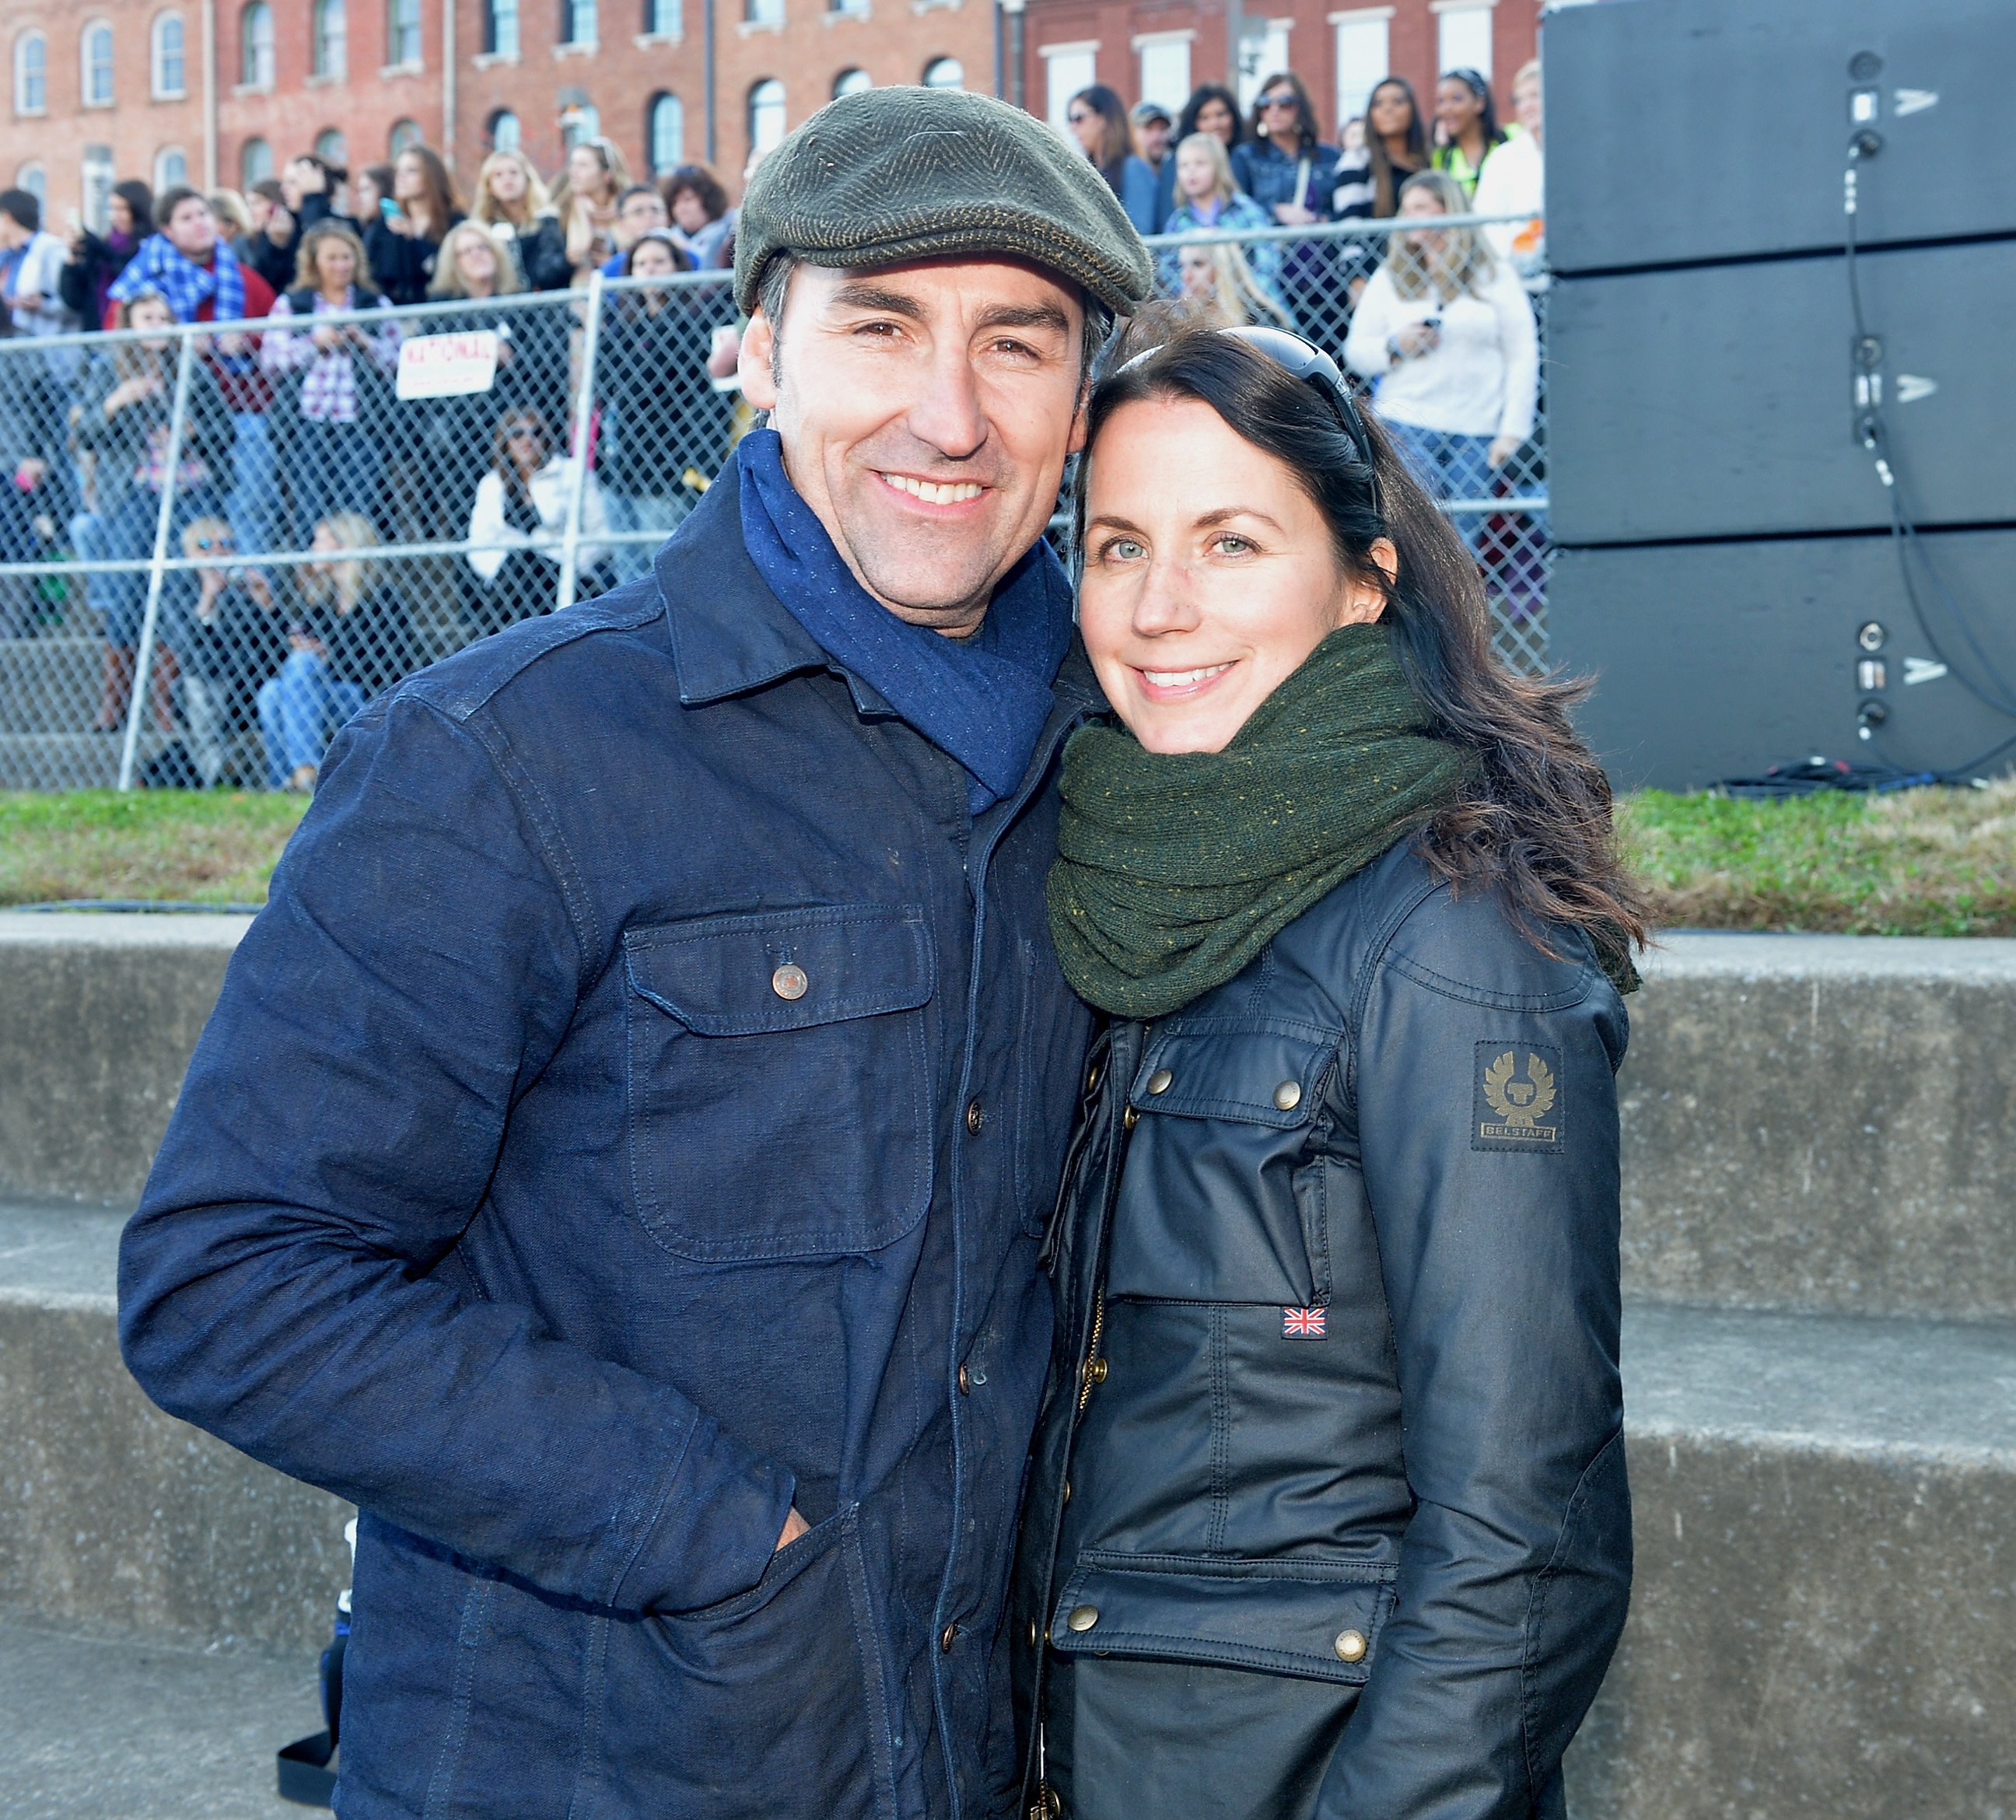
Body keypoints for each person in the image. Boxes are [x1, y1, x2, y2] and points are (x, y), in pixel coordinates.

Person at [119, 82, 1150, 1820]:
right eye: (881, 327)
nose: (950, 412)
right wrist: (727, 1540)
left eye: (1019, 344)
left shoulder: (1119, 762)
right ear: (757, 354)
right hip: (600, 1759)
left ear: (1083, 396)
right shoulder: (507, 754)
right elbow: (231, 1278)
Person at [1011, 319, 1642, 1820]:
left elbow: (1526, 1528)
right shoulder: (1123, 879)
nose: (1158, 608)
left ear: (1364, 580)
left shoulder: (1453, 938)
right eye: (1114, 547)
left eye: (1231, 544)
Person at [1343, 171, 1538, 555]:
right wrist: (1397, 346)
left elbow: (1523, 352)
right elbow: (1356, 351)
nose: (1409, 217)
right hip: (1407, 423)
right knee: (1412, 539)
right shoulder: (1391, 277)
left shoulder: (1493, 274)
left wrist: (1512, 431)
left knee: (1463, 540)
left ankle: (1461, 617)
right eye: (1406, 208)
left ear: (1448, 211)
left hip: (1477, 427)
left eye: (1421, 208)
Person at [71, 289, 236, 731]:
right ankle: (115, 705)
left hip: (192, 491)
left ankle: (169, 706)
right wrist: (117, 401)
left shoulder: (192, 368)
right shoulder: (109, 369)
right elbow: (85, 432)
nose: (158, 325)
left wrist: (192, 432)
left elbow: (225, 431)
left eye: (164, 317)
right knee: (128, 592)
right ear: (130, 324)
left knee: (180, 594)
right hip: (136, 493)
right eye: (148, 318)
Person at [109, 187, 282, 553]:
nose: (200, 223)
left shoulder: (243, 279)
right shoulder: (141, 283)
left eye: (204, 214)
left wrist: (246, 339)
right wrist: (180, 343)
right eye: (187, 218)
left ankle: (249, 586)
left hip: (239, 409)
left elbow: (278, 334)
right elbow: (117, 341)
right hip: (166, 421)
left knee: (249, 503)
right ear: (166, 230)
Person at [414, 222, 570, 542]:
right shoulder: (441, 315)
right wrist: (481, 354)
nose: (476, 256)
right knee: (468, 526)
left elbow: (552, 365)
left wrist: (512, 358)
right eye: (465, 252)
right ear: (453, 264)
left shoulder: (525, 305)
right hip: (463, 441)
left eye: (482, 248)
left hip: (519, 437)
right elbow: (424, 376)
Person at [596, 232, 725, 582]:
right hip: (617, 467)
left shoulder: (693, 324)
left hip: (664, 468)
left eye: (658, 262)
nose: (649, 270)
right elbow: (604, 384)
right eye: (640, 264)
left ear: (677, 268)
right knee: (629, 574)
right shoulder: (620, 328)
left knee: (666, 570)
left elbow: (653, 384)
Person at [262, 221, 401, 539]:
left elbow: (398, 358)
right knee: (308, 510)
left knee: (357, 510)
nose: (341, 265)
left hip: (361, 422)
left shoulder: (373, 303)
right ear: (314, 263)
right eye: (332, 258)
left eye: (347, 257)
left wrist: (365, 342)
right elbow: (271, 359)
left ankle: (353, 582)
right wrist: (314, 342)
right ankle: (313, 582)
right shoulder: (294, 305)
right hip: (307, 422)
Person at [255, 511, 411, 791]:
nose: (312, 547)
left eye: (320, 540)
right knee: (273, 692)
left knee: (305, 665)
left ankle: (306, 771)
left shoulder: (383, 598)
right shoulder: (324, 605)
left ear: (344, 545)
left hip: (367, 699)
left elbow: (386, 665)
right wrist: (270, 607)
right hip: (317, 697)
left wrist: (328, 657)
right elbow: (285, 662)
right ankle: (282, 785)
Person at [464, 407, 611, 628]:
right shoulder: (492, 484)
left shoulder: (572, 474)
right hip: (511, 578)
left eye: (536, 433)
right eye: (517, 434)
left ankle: (484, 639)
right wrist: (499, 568)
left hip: (562, 570)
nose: (528, 440)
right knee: (520, 563)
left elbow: (600, 532)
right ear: (505, 442)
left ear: (547, 439)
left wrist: (571, 563)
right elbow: (478, 543)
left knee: (527, 563)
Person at [173, 515, 289, 786]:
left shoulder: (245, 591)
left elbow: (279, 648)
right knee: (192, 685)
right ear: (191, 555)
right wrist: (207, 600)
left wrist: (266, 603)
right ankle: (216, 772)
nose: (217, 552)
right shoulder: (179, 592)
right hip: (208, 683)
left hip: (248, 680)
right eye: (206, 545)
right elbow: (186, 651)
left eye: (226, 544)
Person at [1237, 74, 1339, 335]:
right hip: (1272, 279)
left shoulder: (1329, 157)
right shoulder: (1246, 157)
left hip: (1327, 277)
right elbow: (1236, 211)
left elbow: (1345, 210)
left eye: (1285, 102)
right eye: (1265, 103)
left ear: (1300, 108)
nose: (1274, 110)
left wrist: (1325, 221)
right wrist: (1274, 211)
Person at [1159, 131, 1279, 306]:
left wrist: (1246, 294)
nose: (1191, 171)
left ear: (1219, 167)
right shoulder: (1178, 221)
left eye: (1200, 164)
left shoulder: (1245, 210)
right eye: (1184, 165)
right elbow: (1168, 269)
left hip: (1252, 307)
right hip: (1198, 310)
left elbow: (1268, 258)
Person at [1474, 59, 1545, 272]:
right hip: (1517, 274)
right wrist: (1516, 256)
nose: (1527, 106)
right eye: (1519, 100)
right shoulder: (1503, 158)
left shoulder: (1581, 152)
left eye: (1535, 95)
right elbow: (1485, 221)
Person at [372, 145, 466, 306]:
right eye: (399, 171)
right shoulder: (386, 224)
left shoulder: (455, 221)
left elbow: (448, 270)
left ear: (431, 176)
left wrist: (415, 239)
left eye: (411, 171)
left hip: (443, 310)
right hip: (398, 313)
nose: (401, 177)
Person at [469, 148, 573, 292]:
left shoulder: (548, 221)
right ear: (489, 185)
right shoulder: (481, 227)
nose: (507, 179)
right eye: (498, 175)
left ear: (527, 178)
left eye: (514, 173)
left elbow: (553, 270)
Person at [1160, 82, 1248, 247]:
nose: (1215, 123)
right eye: (1205, 117)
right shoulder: (1179, 220)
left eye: (1221, 114)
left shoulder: (1244, 158)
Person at [60, 181, 156, 331]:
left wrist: (101, 249)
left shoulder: (151, 245)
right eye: (112, 209)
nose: (115, 216)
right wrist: (73, 257)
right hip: (96, 334)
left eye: (122, 209)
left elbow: (129, 276)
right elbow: (74, 299)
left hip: (132, 335)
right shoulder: (105, 244)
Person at [1069, 84, 1160, 236]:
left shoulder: (1133, 168)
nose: (1073, 127)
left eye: (1079, 118)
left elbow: (1139, 231)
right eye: (1070, 120)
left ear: (1103, 118)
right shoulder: (1089, 172)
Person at [551, 135, 630, 282]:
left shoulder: (630, 210)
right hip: (577, 297)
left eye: (583, 165)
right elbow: (550, 271)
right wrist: (570, 259)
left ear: (606, 175)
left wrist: (611, 264)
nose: (573, 172)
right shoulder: (561, 213)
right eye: (573, 164)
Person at [0, 189, 75, 339]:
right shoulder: (9, 254)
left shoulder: (50, 249)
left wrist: (41, 304)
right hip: (13, 341)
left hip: (45, 344)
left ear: (7, 217)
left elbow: (71, 301)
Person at [1174, 242, 1293, 331]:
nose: (1186, 276)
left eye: (1198, 264)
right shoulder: (1182, 317)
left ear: (1223, 266)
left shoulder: (1260, 315)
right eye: (1182, 266)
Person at [1432, 68, 1507, 199]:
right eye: (1441, 101)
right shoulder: (1442, 157)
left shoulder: (1509, 139)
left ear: (1480, 102)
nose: (1446, 109)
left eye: (1456, 99)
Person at [661, 163, 733, 269]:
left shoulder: (729, 233)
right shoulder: (668, 238)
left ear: (708, 200)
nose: (681, 208)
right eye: (675, 202)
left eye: (688, 199)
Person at [600, 183, 675, 277]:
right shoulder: (612, 270)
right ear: (621, 223)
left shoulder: (688, 258)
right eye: (638, 212)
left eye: (655, 210)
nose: (649, 216)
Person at [241, 178, 299, 292]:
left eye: (257, 203)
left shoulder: (296, 234)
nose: (251, 211)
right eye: (249, 205)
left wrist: (278, 247)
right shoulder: (249, 240)